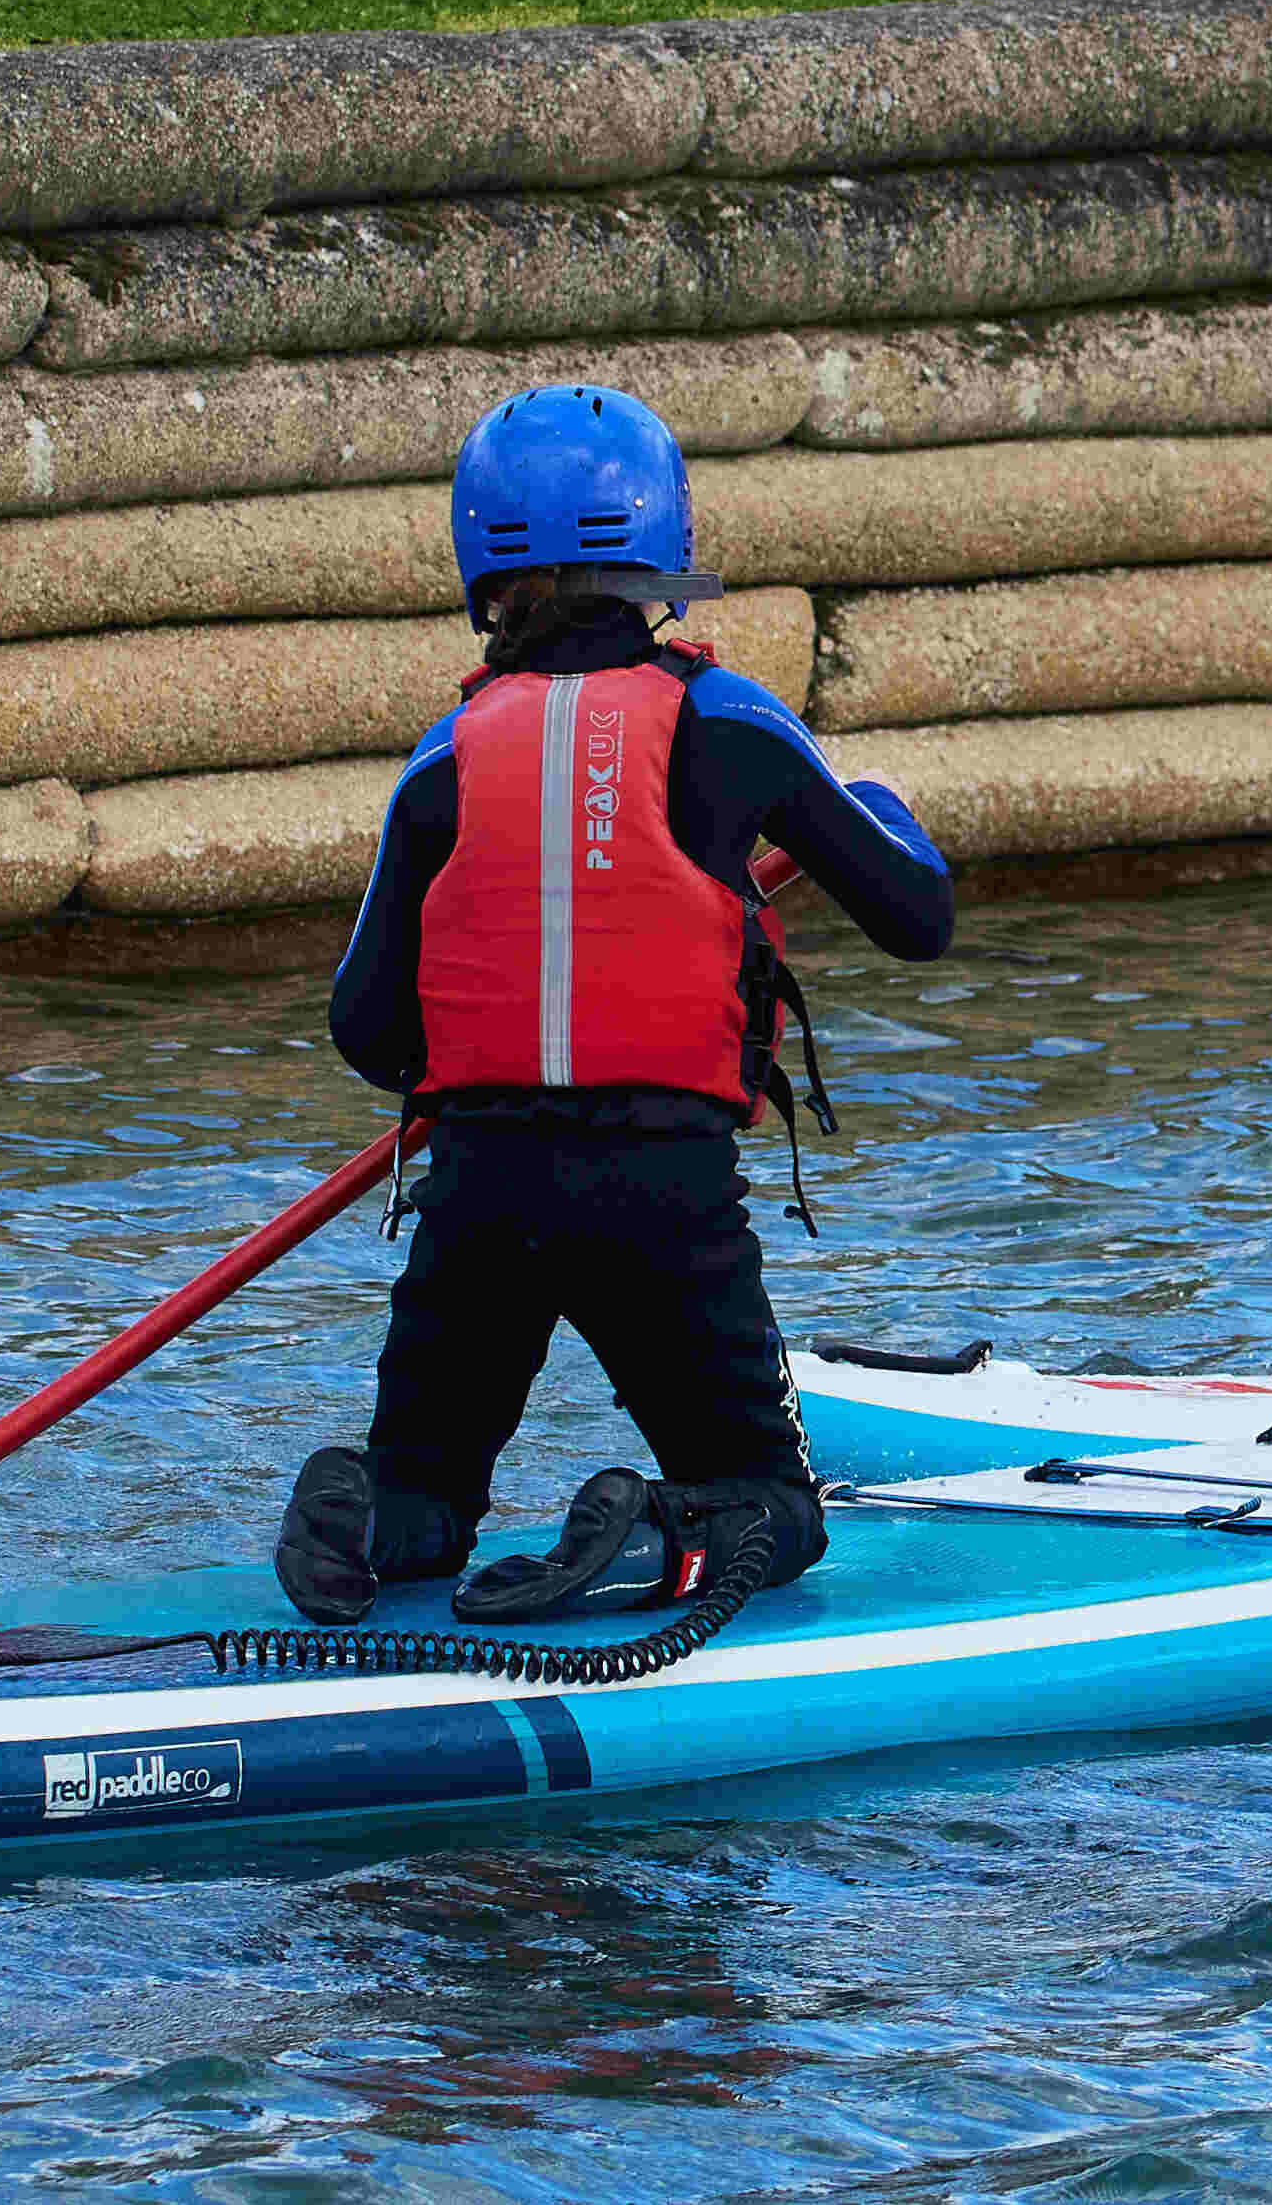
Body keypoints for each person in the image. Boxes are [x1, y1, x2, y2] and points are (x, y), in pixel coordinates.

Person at [288, 382, 957, 1623]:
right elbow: (919, 917)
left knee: (431, 1496)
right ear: (664, 548)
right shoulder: (731, 719)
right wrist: (879, 808)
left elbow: (366, 1031)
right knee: (775, 1505)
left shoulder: (441, 758)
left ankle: (368, 1518)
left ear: (478, 558)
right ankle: (660, 1525)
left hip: (479, 1196)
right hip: (665, 1199)